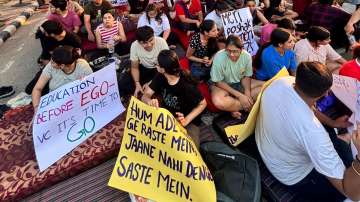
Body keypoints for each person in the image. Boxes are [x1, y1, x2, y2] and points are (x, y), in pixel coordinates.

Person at [255, 61, 360, 202]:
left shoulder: (282, 82)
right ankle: (342, 142)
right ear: (325, 93)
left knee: (336, 145)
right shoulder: (313, 133)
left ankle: (342, 141)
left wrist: (333, 123)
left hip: (269, 146)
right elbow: (348, 191)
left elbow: (308, 107)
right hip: (293, 174)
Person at [142, 49, 207, 148]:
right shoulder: (160, 76)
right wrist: (149, 101)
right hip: (167, 116)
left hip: (187, 120)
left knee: (190, 149)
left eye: (157, 64)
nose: (156, 66)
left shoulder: (187, 85)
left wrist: (186, 120)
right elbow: (145, 95)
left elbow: (203, 103)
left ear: (163, 69)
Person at [210, 35, 264, 118]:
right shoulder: (219, 57)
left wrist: (247, 94)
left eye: (235, 51)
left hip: (239, 82)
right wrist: (240, 96)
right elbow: (218, 82)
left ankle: (234, 107)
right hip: (222, 85)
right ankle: (246, 105)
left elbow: (246, 77)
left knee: (266, 86)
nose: (231, 54)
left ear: (241, 50)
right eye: (228, 51)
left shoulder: (246, 56)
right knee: (218, 101)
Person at [32, 46, 93, 113]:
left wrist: (84, 82)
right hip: (56, 105)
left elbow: (92, 85)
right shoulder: (50, 66)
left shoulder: (83, 66)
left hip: (77, 101)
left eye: (53, 62)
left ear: (62, 66)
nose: (50, 63)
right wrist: (36, 108)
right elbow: (37, 88)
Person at [119, 26, 169, 97]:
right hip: (143, 67)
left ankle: (146, 89)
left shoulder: (161, 42)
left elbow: (166, 67)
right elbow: (134, 67)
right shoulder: (134, 45)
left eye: (151, 40)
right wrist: (137, 83)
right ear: (138, 42)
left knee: (162, 84)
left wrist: (152, 82)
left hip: (159, 70)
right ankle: (141, 88)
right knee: (123, 82)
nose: (149, 45)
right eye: (144, 43)